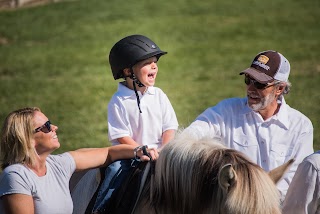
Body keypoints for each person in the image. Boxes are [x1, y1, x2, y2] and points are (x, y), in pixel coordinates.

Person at [181, 50, 314, 202]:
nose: (250, 88)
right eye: (248, 79)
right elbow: (196, 131)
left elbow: (297, 183)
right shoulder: (226, 111)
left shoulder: (301, 127)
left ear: (280, 89)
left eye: (259, 84)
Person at [0, 107, 158, 214]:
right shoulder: (16, 176)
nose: (55, 127)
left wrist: (138, 150)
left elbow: (108, 153)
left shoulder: (57, 165)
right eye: (47, 126)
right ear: (27, 138)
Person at [92, 34, 178, 212]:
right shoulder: (118, 101)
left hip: (162, 152)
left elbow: (170, 127)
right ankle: (101, 208)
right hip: (130, 156)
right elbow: (121, 136)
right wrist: (141, 150)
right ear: (127, 71)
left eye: (155, 61)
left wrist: (164, 149)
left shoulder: (159, 95)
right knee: (114, 172)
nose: (154, 66)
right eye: (147, 62)